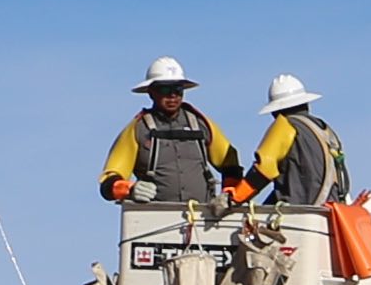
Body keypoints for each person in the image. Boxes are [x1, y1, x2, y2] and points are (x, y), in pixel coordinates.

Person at [99, 58, 253, 212]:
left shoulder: (201, 124)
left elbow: (231, 165)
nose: (173, 95)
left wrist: (229, 196)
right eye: (165, 89)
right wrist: (130, 190)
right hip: (152, 218)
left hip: (203, 218)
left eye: (178, 89)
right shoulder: (138, 129)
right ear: (151, 92)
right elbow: (109, 182)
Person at [250, 74, 356, 208]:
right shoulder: (325, 130)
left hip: (301, 216)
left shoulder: (284, 125)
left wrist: (234, 198)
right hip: (333, 212)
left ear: (275, 112)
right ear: (306, 104)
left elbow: (263, 169)